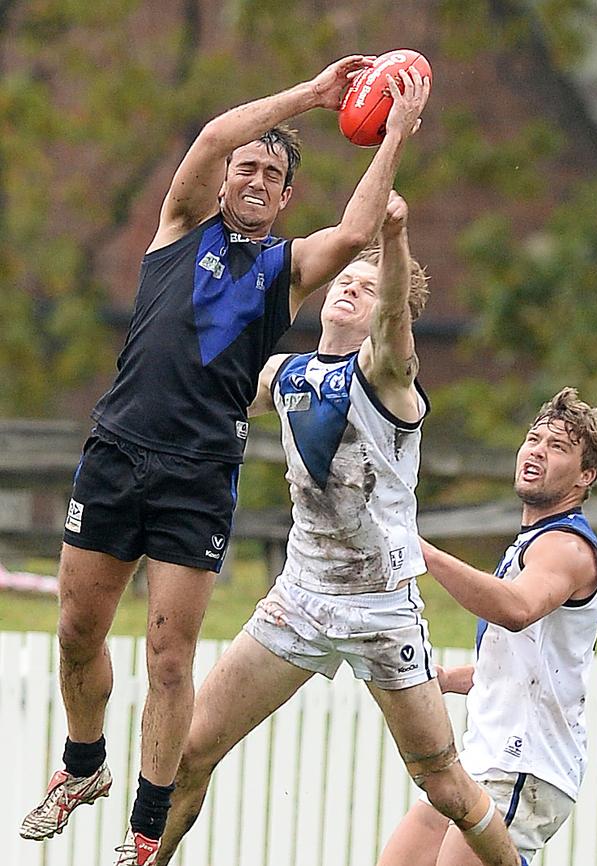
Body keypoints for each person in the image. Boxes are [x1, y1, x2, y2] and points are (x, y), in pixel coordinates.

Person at [19, 56, 431, 865]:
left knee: (170, 658)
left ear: (283, 200)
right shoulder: (178, 227)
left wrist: (397, 135)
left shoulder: (287, 269)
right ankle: (83, 766)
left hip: (199, 473)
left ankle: (145, 827)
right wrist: (313, 97)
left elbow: (353, 232)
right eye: (247, 164)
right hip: (116, 451)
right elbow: (212, 133)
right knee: (77, 632)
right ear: (222, 180)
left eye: (273, 173)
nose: (254, 174)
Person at [153, 190, 523, 866]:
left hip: (381, 610)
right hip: (300, 600)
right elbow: (204, 380)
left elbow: (392, 330)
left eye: (366, 285)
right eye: (343, 280)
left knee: (444, 787)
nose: (349, 288)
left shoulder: (387, 376)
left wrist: (396, 234)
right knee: (187, 756)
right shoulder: (286, 374)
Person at [377, 387, 597, 866]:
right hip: (483, 760)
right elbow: (518, 665)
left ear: (585, 477)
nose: (537, 452)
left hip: (524, 765)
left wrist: (422, 551)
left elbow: (515, 608)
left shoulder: (566, 546)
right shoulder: (530, 543)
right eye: (534, 439)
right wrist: (448, 679)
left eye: (558, 447)